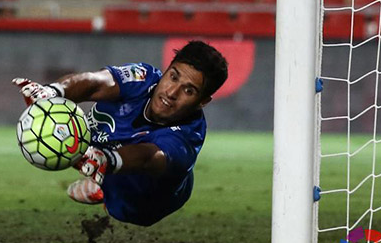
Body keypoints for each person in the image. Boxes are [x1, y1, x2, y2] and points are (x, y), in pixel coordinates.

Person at [12, 41, 228, 227]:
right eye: (173, 77)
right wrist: (53, 91)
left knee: (123, 168)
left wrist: (107, 160)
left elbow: (148, 157)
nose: (172, 93)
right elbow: (95, 82)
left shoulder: (189, 135)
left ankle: (105, 188)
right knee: (100, 116)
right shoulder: (143, 77)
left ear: (202, 102)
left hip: (145, 202)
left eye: (188, 90)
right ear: (166, 70)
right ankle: (98, 170)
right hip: (108, 150)